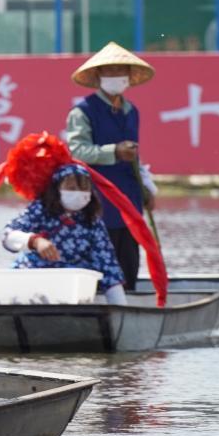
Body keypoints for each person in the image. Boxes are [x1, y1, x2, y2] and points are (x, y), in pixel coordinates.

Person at [65, 41, 158, 289]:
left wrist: (146, 189)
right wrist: (114, 151)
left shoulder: (132, 111)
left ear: (128, 77)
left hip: (129, 195)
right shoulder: (83, 111)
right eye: (110, 71)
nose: (116, 76)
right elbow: (77, 151)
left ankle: (129, 302)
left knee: (129, 261)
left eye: (121, 71)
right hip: (98, 197)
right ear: (98, 76)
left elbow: (135, 156)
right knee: (100, 260)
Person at [2, 164, 127, 305]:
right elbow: (8, 236)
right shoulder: (40, 210)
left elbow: (107, 264)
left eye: (84, 188)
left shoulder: (92, 222)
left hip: (71, 285)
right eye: (71, 188)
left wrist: (120, 308)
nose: (78, 193)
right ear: (57, 189)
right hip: (32, 276)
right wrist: (35, 241)